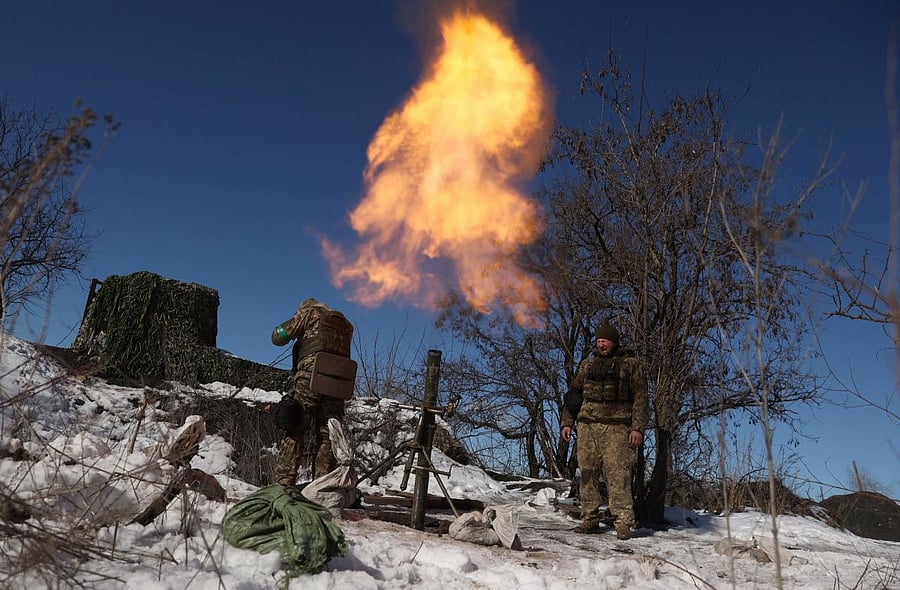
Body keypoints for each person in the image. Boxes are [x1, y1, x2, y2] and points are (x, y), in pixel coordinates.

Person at [560, 321, 648, 540]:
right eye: (598, 341)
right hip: (587, 425)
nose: (601, 344)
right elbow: (574, 396)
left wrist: (637, 428)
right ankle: (589, 517)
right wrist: (567, 422)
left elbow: (640, 398)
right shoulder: (587, 366)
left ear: (614, 342)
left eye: (605, 341)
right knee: (587, 473)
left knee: (618, 474)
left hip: (617, 427)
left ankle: (623, 521)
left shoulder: (630, 365)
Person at [271, 298, 354, 484]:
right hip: (339, 382)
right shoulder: (346, 325)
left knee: (295, 425)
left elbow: (277, 337)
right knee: (328, 434)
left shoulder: (310, 313)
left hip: (311, 375)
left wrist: (292, 324)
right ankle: (322, 486)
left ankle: (284, 484)